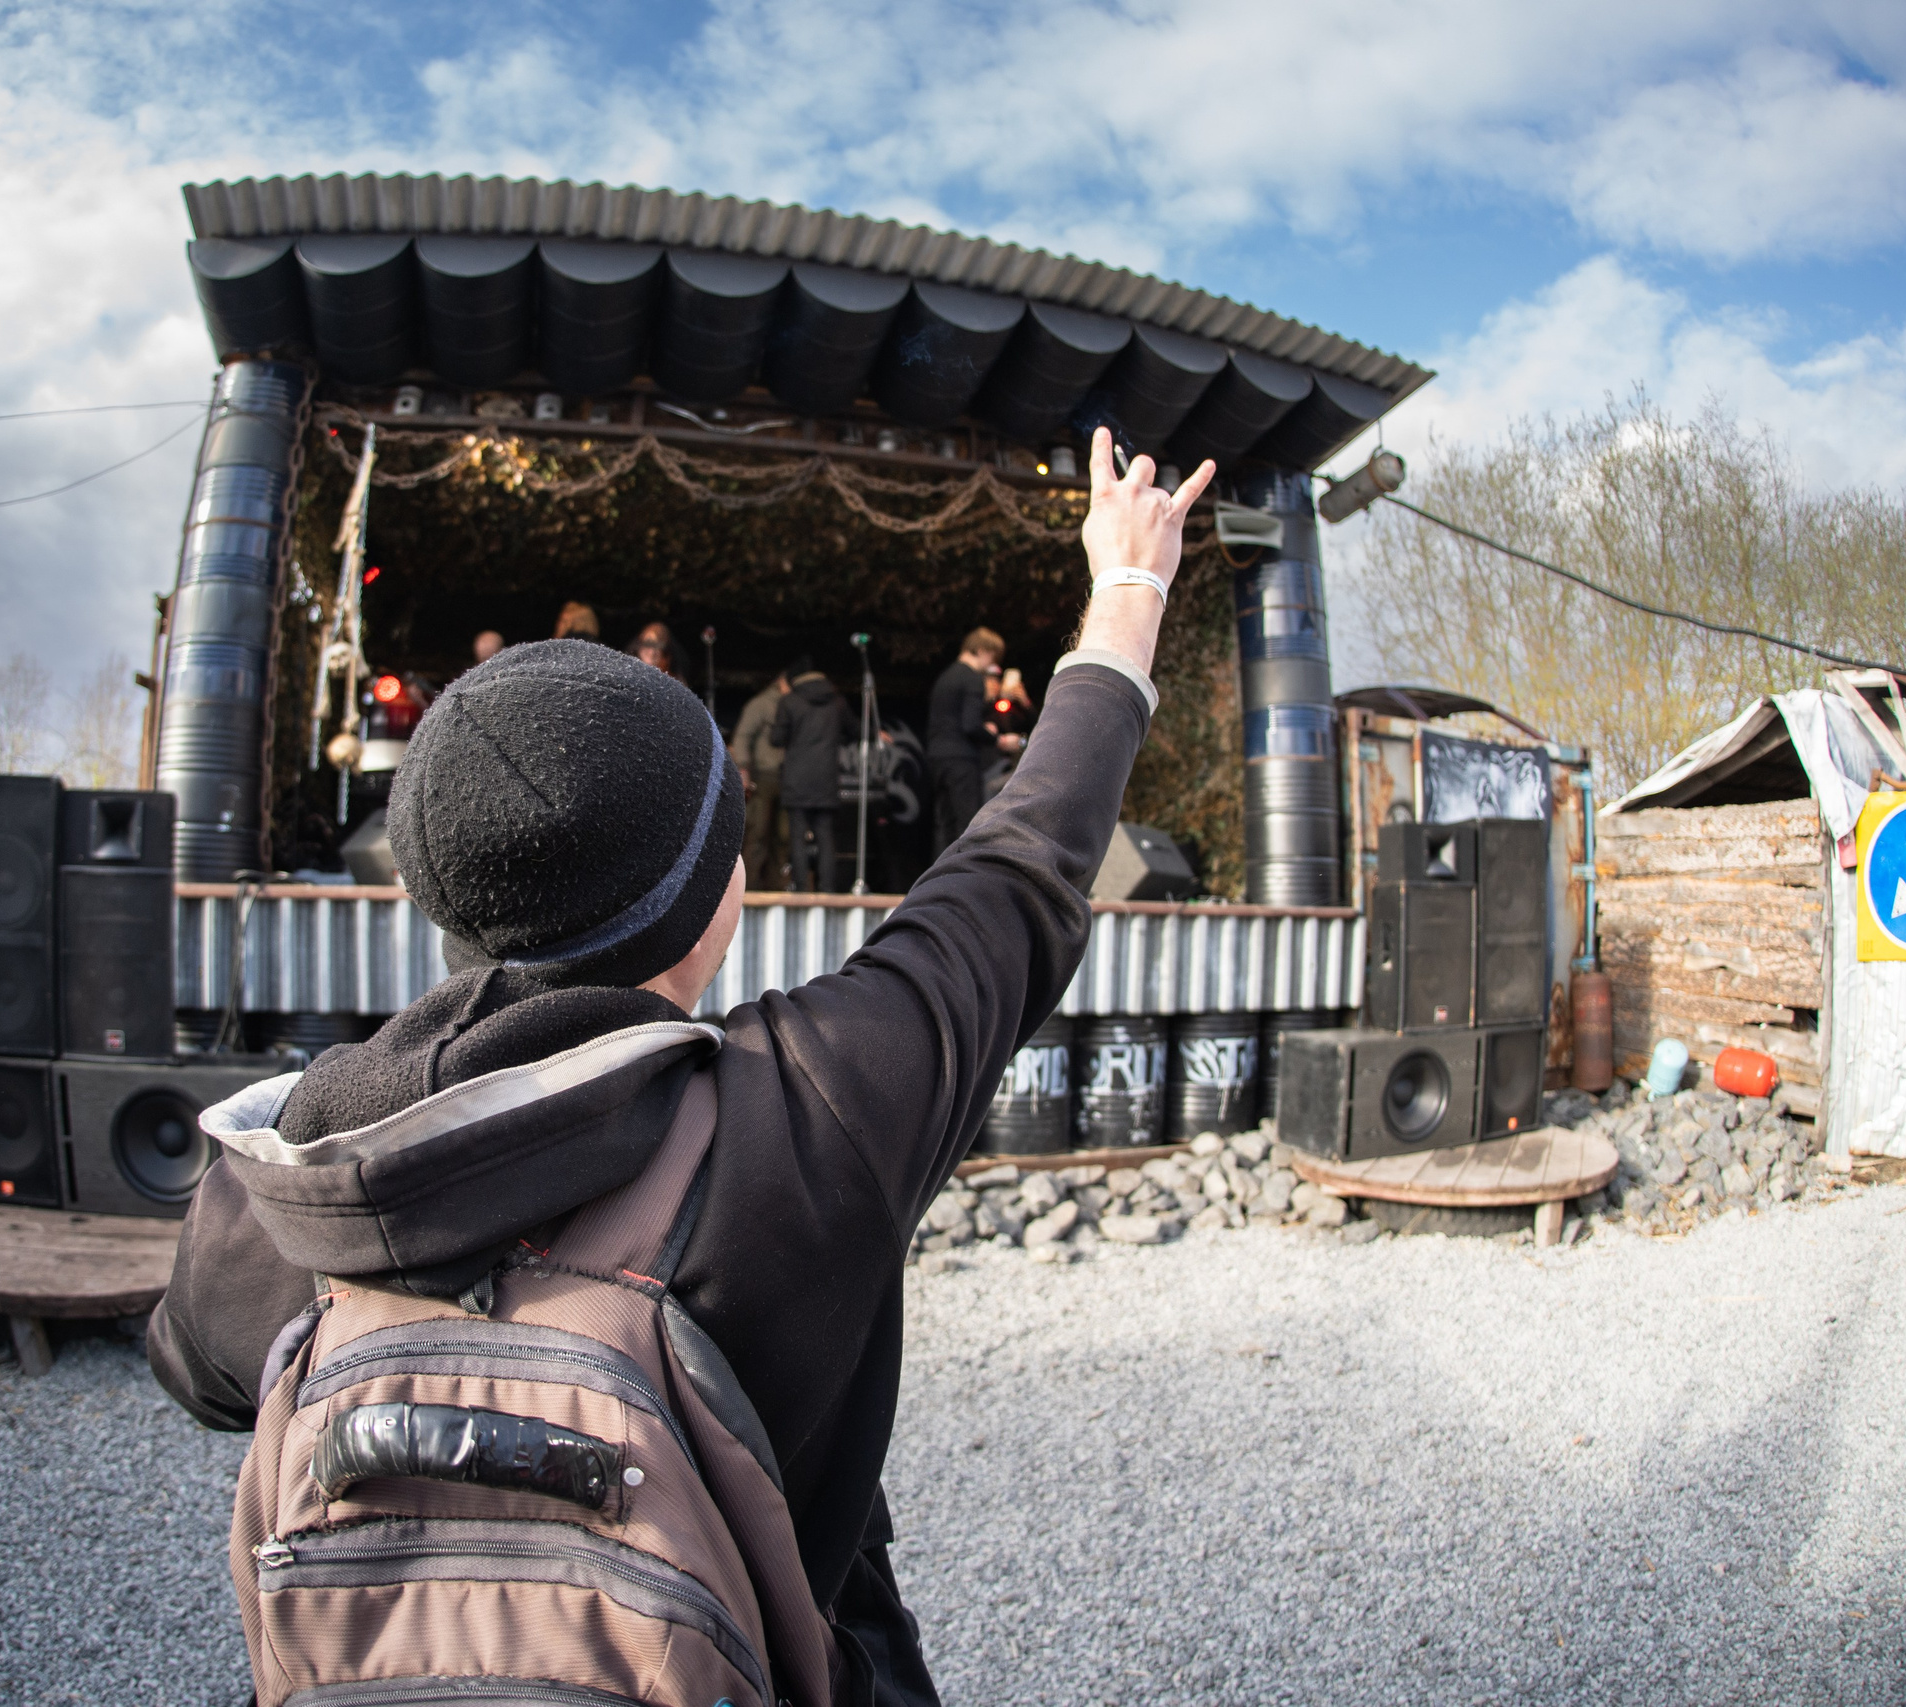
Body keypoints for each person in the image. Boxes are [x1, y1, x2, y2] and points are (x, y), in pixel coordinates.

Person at [146, 426, 1212, 1706]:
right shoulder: (812, 1112)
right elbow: (1022, 867)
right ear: (715, 895)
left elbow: (196, 1366)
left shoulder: (280, 1173)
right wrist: (1128, 589)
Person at [925, 626, 1022, 856]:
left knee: (944, 822)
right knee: (967, 822)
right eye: (991, 656)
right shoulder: (972, 679)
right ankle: (962, 882)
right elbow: (970, 725)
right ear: (981, 650)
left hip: (937, 757)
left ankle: (939, 880)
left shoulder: (945, 677)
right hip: (961, 759)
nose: (991, 663)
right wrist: (994, 737)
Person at [770, 654, 848, 893]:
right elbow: (855, 730)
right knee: (825, 835)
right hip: (826, 776)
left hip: (797, 776)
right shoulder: (837, 702)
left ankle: (802, 888)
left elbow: (776, 739)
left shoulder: (790, 701)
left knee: (797, 835)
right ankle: (827, 889)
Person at [731, 668, 789, 890]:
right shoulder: (761, 704)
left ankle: (776, 886)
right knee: (757, 834)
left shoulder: (791, 704)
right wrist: (744, 769)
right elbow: (743, 736)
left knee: (782, 838)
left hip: (784, 778)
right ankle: (750, 887)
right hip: (762, 777)